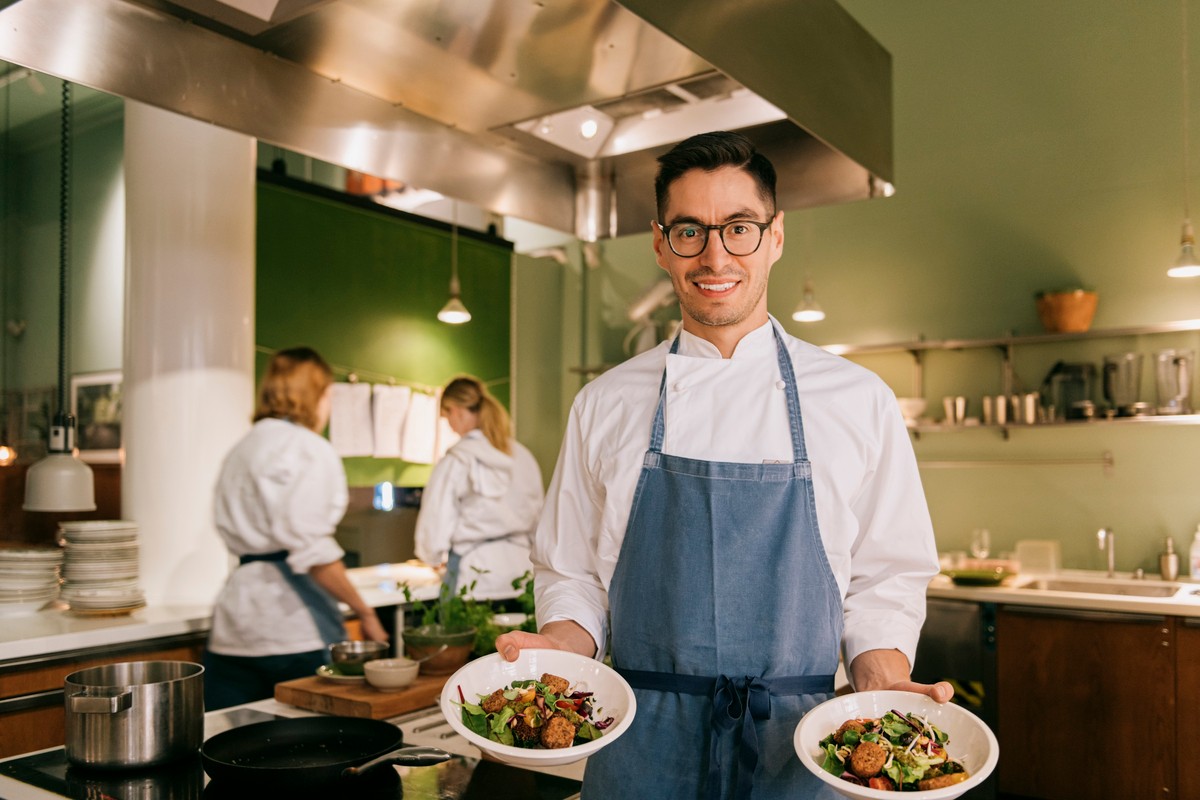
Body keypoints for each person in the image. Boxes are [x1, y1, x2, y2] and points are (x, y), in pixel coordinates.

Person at [495, 131, 953, 799]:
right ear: (659, 242)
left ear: (775, 236)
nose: (715, 255)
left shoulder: (858, 400)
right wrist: (564, 648)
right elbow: (572, 573)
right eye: (690, 230)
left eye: (739, 227)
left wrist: (879, 677)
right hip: (639, 744)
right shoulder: (605, 404)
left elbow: (887, 576)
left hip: (804, 749)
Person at [204, 346, 388, 710]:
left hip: (232, 625)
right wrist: (365, 613)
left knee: (234, 749)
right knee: (309, 745)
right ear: (316, 396)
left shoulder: (241, 449)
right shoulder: (308, 448)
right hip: (290, 629)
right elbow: (313, 551)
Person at [415, 375, 543, 598]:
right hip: (522, 573)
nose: (451, 427)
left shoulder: (457, 460)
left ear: (457, 411)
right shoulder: (522, 456)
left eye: (447, 417)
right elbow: (539, 516)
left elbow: (435, 520)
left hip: (473, 576)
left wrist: (431, 557)